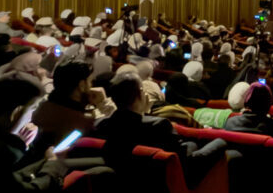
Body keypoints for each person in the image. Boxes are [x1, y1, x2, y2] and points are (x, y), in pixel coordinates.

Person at [92, 72, 226, 179]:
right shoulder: (159, 125)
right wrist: (220, 141)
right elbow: (185, 163)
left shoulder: (101, 125)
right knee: (218, 143)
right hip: (165, 181)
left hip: (129, 179)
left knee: (191, 145)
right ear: (141, 94)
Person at [28, 61, 116, 155]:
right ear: (82, 85)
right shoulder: (82, 122)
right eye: (90, 82)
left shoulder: (43, 107)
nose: (91, 87)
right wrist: (104, 104)